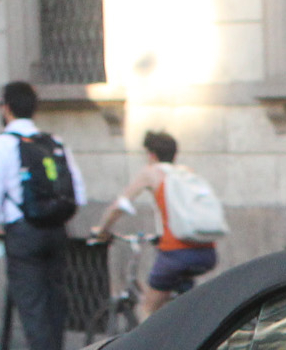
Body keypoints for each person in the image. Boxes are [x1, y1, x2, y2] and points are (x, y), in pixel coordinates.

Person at [0, 81, 87, 350]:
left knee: (34, 310)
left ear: (6, 107)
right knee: (55, 306)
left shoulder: (0, 144)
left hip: (23, 233)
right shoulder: (54, 142)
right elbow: (79, 193)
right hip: (56, 231)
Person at [88, 130, 219, 319]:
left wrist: (102, 229)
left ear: (151, 155)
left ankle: (149, 348)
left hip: (176, 252)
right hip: (206, 252)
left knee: (147, 309)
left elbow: (120, 206)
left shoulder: (151, 173)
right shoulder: (187, 173)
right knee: (180, 306)